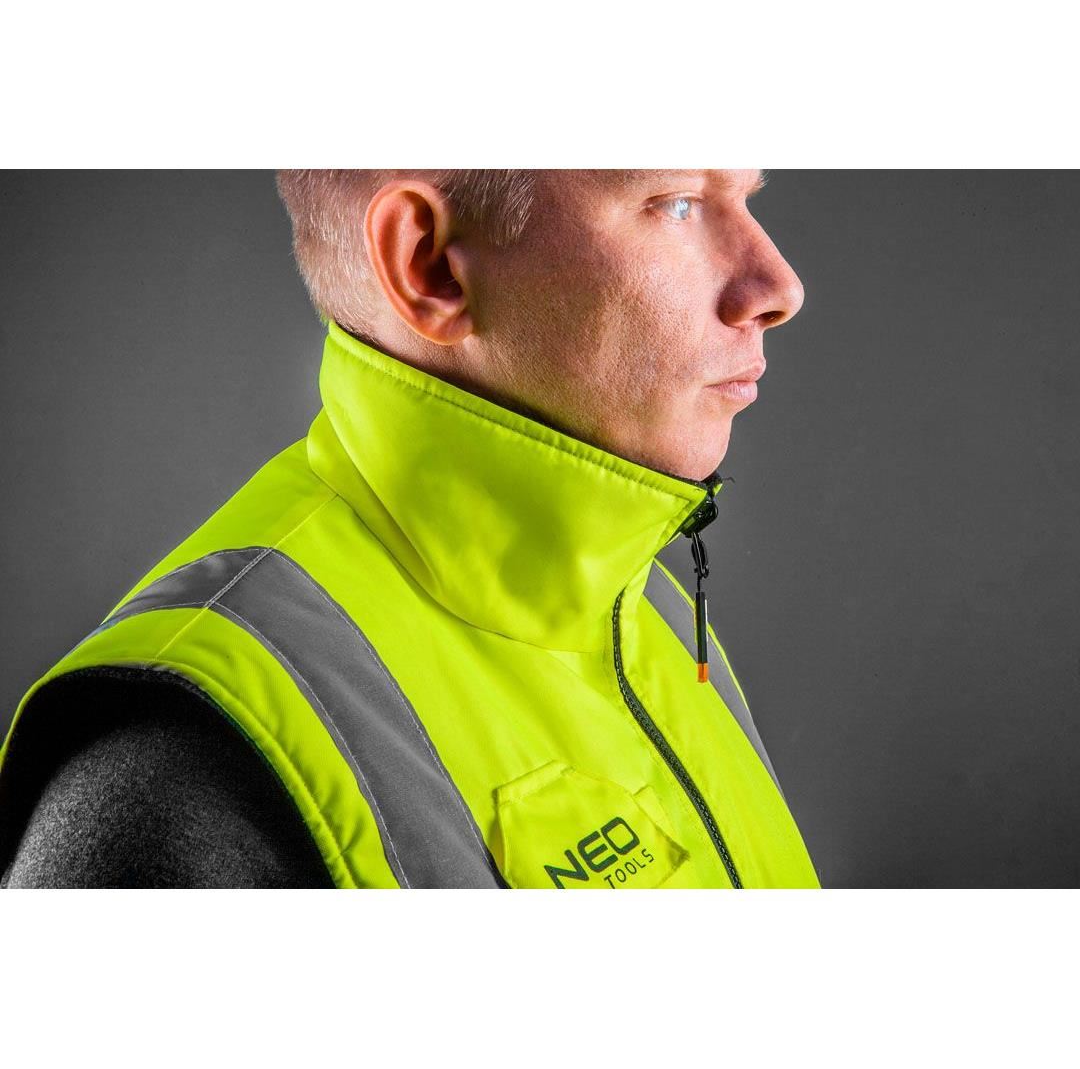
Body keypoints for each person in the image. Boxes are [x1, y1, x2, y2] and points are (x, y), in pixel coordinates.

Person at [0, 169, 818, 889]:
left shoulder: (643, 604)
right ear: (430, 264)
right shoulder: (179, 771)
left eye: (744, 197)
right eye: (675, 203)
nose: (777, 285)